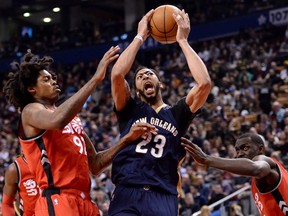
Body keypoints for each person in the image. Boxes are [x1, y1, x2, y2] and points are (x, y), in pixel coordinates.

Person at [2, 48, 158, 216]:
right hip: (57, 199)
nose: (54, 81)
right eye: (46, 79)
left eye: (53, 78)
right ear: (32, 89)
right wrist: (96, 79)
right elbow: (57, 120)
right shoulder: (30, 111)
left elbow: (96, 164)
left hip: (85, 201)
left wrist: (127, 139)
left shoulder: (72, 119)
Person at [109, 7, 211, 216]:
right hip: (128, 191)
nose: (146, 76)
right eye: (140, 76)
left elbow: (204, 84)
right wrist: (140, 36)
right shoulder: (129, 109)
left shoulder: (177, 114)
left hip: (163, 195)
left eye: (150, 74)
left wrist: (182, 40)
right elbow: (117, 75)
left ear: (160, 84)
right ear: (137, 90)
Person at [181, 133, 288, 216]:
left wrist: (206, 159)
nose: (240, 154)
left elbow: (257, 169)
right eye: (237, 150)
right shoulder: (272, 174)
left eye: (245, 148)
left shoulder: (264, 161)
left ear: (260, 149)